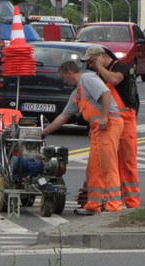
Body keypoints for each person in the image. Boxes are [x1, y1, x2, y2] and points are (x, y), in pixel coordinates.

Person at [41, 60, 124, 214]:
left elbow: (105, 94)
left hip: (109, 125)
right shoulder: (77, 93)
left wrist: (104, 118)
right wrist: (44, 132)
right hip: (99, 128)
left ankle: (114, 207)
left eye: (63, 77)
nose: (63, 81)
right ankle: (94, 205)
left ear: (69, 73)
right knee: (94, 169)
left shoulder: (87, 79)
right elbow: (63, 116)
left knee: (108, 167)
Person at [84, 46, 141, 208]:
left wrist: (101, 67)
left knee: (127, 162)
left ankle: (132, 204)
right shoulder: (96, 75)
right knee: (104, 162)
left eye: (92, 60)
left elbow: (115, 80)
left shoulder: (119, 66)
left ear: (101, 56)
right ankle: (102, 202)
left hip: (126, 118)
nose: (90, 64)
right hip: (108, 119)